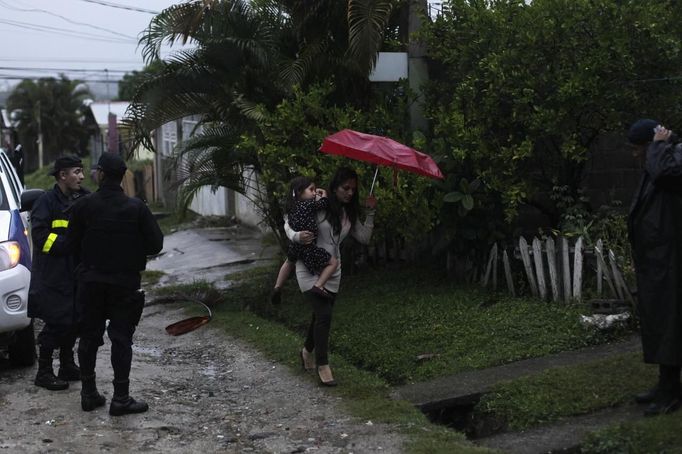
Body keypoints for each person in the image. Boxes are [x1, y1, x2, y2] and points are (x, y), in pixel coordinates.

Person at [66, 152, 163, 415]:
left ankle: (88, 393)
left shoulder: (83, 206)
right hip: (124, 285)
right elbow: (156, 244)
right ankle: (120, 398)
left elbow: (69, 244)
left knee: (88, 337)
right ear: (121, 177)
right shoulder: (136, 208)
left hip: (90, 283)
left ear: (102, 175)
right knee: (121, 340)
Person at [285, 167, 377, 386]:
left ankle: (307, 351)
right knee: (324, 314)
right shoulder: (319, 204)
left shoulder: (348, 214)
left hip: (332, 270)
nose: (350, 193)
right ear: (335, 186)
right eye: (345, 188)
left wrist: (371, 212)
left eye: (353, 189)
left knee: (320, 315)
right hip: (308, 266)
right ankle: (323, 364)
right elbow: (289, 218)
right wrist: (296, 235)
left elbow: (364, 237)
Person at [627, 118, 682, 416]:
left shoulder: (672, 156)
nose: (635, 155)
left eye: (638, 148)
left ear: (650, 144)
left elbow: (664, 176)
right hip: (659, 259)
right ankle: (665, 385)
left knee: (670, 323)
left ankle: (671, 393)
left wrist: (659, 146)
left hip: (672, 260)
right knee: (662, 324)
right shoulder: (659, 158)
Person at [28, 155, 88, 391]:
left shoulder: (84, 198)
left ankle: (66, 365)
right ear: (63, 175)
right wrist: (69, 244)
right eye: (76, 171)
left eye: (82, 171)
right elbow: (41, 237)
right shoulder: (46, 202)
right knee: (56, 321)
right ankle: (44, 372)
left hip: (76, 272)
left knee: (74, 320)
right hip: (54, 274)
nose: (81, 177)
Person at [271, 176, 338, 303]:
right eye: (311, 189)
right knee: (333, 262)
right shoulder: (308, 205)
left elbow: (288, 225)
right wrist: (324, 195)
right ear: (299, 192)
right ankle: (319, 286)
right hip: (308, 247)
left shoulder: (291, 208)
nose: (314, 193)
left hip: (295, 246)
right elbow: (324, 203)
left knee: (288, 263)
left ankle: (277, 287)